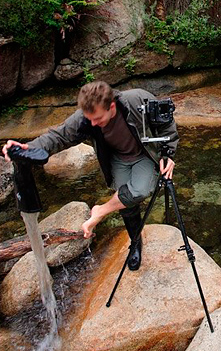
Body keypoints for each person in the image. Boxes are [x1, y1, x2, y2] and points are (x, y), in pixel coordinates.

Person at [2, 81, 179, 271]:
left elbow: (166, 124)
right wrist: (30, 148)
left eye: (98, 119)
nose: (93, 124)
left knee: (140, 190)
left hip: (144, 154)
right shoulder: (85, 118)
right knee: (125, 198)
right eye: (90, 119)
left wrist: (167, 154)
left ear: (111, 106)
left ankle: (100, 211)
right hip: (118, 159)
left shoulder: (137, 100)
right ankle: (136, 241)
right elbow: (59, 136)